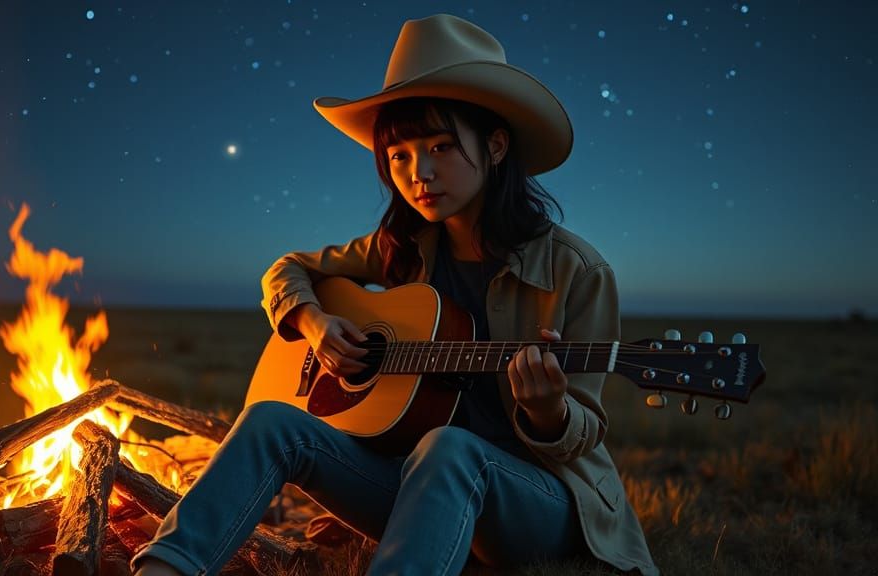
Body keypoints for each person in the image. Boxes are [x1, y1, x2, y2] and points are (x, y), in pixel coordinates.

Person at [133, 13, 657, 576]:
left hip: (540, 506)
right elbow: (287, 269)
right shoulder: (400, 246)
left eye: (440, 147)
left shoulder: (577, 270)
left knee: (449, 447)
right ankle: (165, 567)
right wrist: (314, 324)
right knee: (269, 420)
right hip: (419, 493)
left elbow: (583, 433)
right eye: (400, 156)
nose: (419, 174)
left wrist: (548, 410)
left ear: (497, 146)